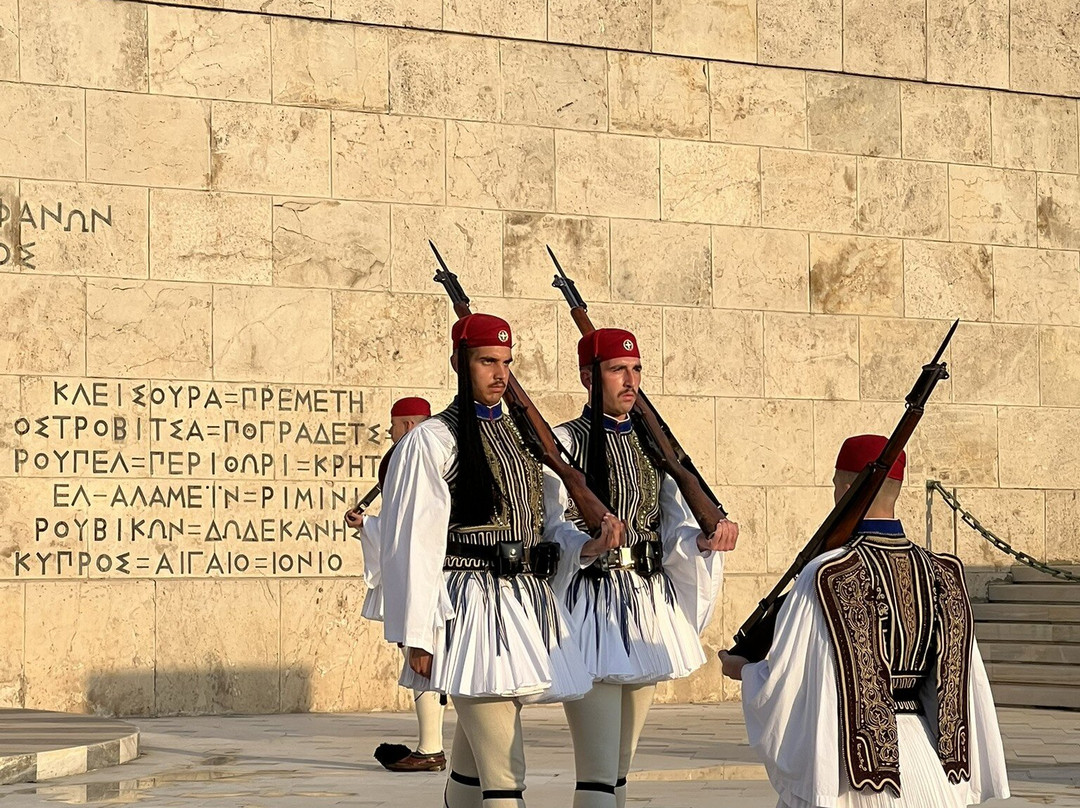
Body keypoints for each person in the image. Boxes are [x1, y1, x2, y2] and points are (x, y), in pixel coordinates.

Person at [377, 313, 623, 808]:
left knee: (472, 773)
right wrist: (416, 635)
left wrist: (587, 546)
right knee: (505, 776)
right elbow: (412, 546)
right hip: (469, 612)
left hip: (526, 607)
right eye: (487, 361)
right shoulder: (432, 441)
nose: (500, 373)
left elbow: (548, 527)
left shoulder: (526, 440)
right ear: (458, 363)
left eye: (507, 362)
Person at [720, 434, 1010, 808]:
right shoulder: (944, 574)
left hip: (851, 772)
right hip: (927, 767)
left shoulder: (827, 574)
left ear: (845, 489)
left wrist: (742, 671)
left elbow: (786, 682)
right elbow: (966, 688)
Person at [549, 328, 739, 808]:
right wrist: (587, 544)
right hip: (589, 608)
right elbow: (548, 527)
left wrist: (700, 539)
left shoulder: (653, 446)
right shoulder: (563, 443)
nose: (630, 380)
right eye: (618, 370)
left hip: (643, 607)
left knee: (618, 776)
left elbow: (671, 527)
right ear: (587, 377)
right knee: (595, 776)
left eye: (636, 370)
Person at [345, 396, 449, 773]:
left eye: (393, 425)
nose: (389, 432)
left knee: (422, 656)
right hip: (450, 570)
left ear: (407, 425)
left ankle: (431, 748)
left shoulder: (405, 457)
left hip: (425, 572)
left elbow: (405, 529)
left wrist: (367, 525)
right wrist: (369, 525)